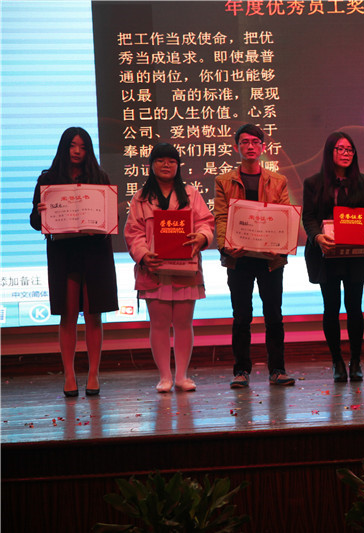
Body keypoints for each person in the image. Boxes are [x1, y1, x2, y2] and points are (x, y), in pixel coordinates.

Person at [30, 127, 119, 397]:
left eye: (82, 146)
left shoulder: (100, 178)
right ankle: (69, 375)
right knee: (67, 315)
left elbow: (111, 219)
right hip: (64, 254)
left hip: (95, 252)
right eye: (72, 145)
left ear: (88, 150)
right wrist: (40, 213)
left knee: (94, 314)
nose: (77, 151)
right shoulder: (48, 179)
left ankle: (93, 374)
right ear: (64, 147)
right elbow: (35, 222)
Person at [124, 143, 214, 392]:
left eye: (172, 161)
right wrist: (143, 255)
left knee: (184, 324)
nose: (166, 165)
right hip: (154, 271)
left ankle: (182, 376)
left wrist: (202, 237)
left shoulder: (191, 194)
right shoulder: (140, 197)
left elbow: (206, 223)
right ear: (151, 165)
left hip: (186, 269)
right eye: (161, 160)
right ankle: (164, 377)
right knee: (159, 324)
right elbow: (133, 232)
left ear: (178, 166)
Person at [214, 124, 295, 388]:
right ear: (236, 147)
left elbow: (284, 215)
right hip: (238, 258)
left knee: (274, 315)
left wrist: (280, 245)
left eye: (255, 142)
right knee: (241, 316)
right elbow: (221, 216)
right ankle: (241, 370)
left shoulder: (278, 180)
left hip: (271, 258)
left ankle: (278, 369)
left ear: (263, 147)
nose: (250, 146)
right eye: (245, 142)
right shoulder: (224, 181)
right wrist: (226, 245)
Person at [302, 132, 364, 383]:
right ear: (330, 152)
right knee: (331, 308)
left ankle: (355, 361)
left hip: (355, 254)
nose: (346, 154)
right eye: (340, 149)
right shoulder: (313, 183)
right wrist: (317, 237)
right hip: (326, 253)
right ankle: (337, 361)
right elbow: (308, 217)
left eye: (349, 150)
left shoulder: (361, 181)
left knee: (355, 307)